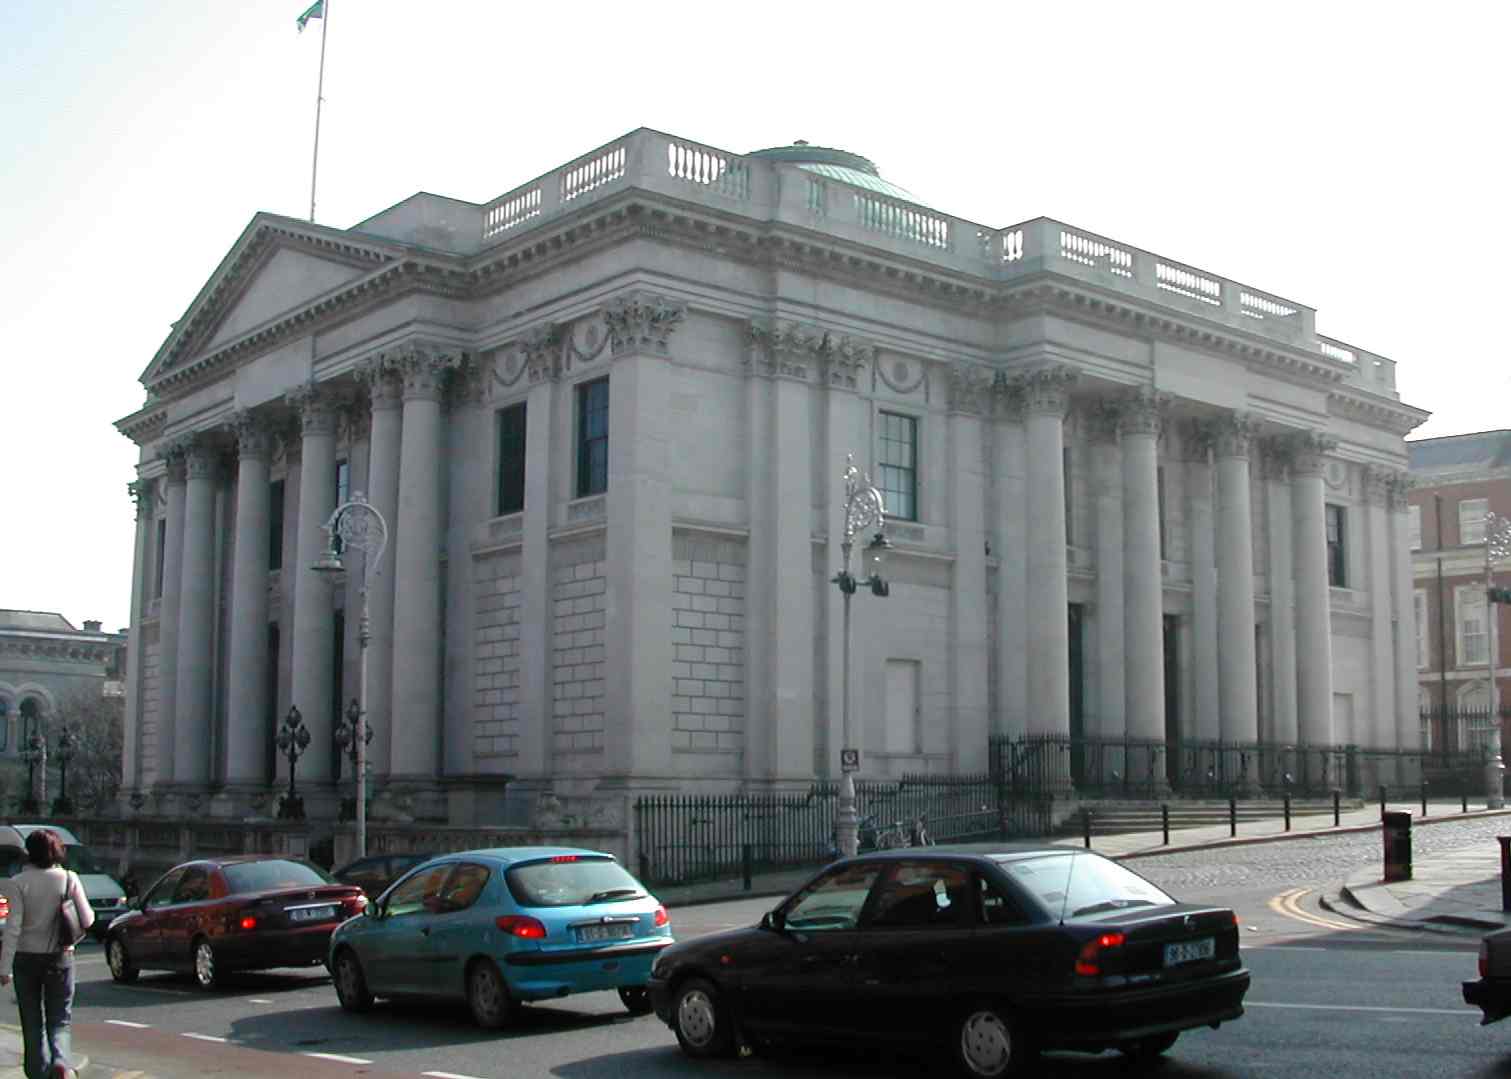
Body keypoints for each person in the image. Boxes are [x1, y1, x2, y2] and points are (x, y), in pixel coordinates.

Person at [0, 829, 94, 1079]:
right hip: (60, 956)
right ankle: (61, 1063)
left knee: (31, 1023)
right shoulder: (69, 879)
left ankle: (38, 1073)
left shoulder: (17, 883)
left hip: (25, 959)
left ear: (28, 852)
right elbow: (88, 918)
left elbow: (13, 927)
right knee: (60, 1020)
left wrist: (4, 968)